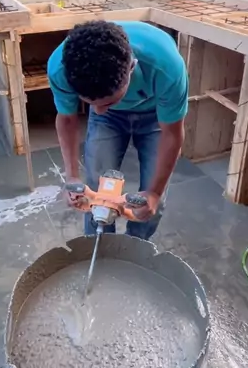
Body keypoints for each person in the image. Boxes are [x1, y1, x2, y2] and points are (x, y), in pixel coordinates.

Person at [47, 19, 188, 241]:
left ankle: (135, 246)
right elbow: (66, 120)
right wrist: (72, 177)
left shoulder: (167, 67)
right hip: (111, 120)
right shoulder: (61, 67)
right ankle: (101, 248)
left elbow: (172, 134)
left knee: (150, 204)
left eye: (108, 102)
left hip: (155, 115)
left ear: (132, 67)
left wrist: (154, 193)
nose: (98, 111)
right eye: (90, 104)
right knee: (95, 193)